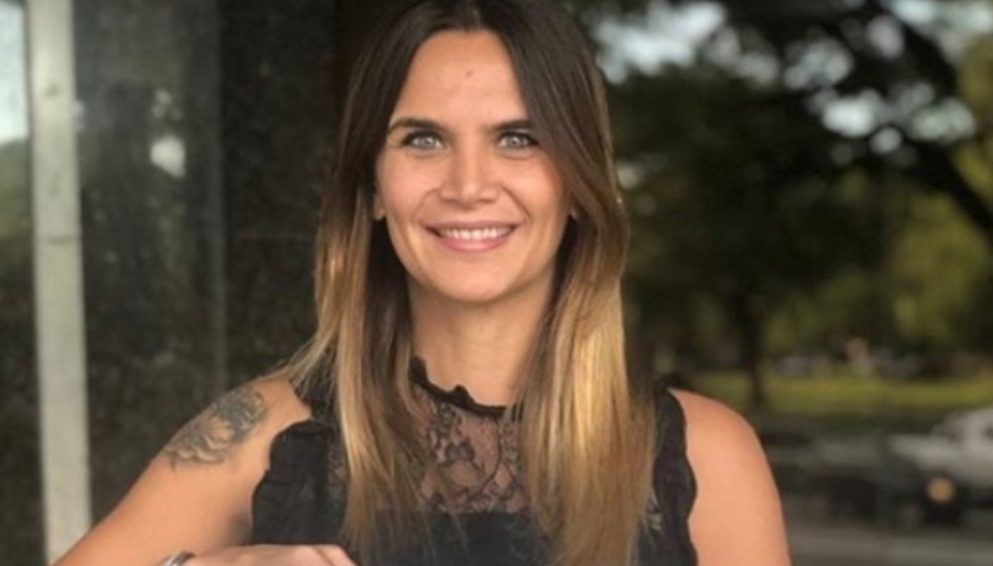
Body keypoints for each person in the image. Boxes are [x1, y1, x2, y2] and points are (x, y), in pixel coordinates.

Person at [56, 0, 790, 564]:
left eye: (518, 138)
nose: (468, 186)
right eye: (424, 139)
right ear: (373, 186)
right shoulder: (262, 434)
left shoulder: (705, 458)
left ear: (577, 184)